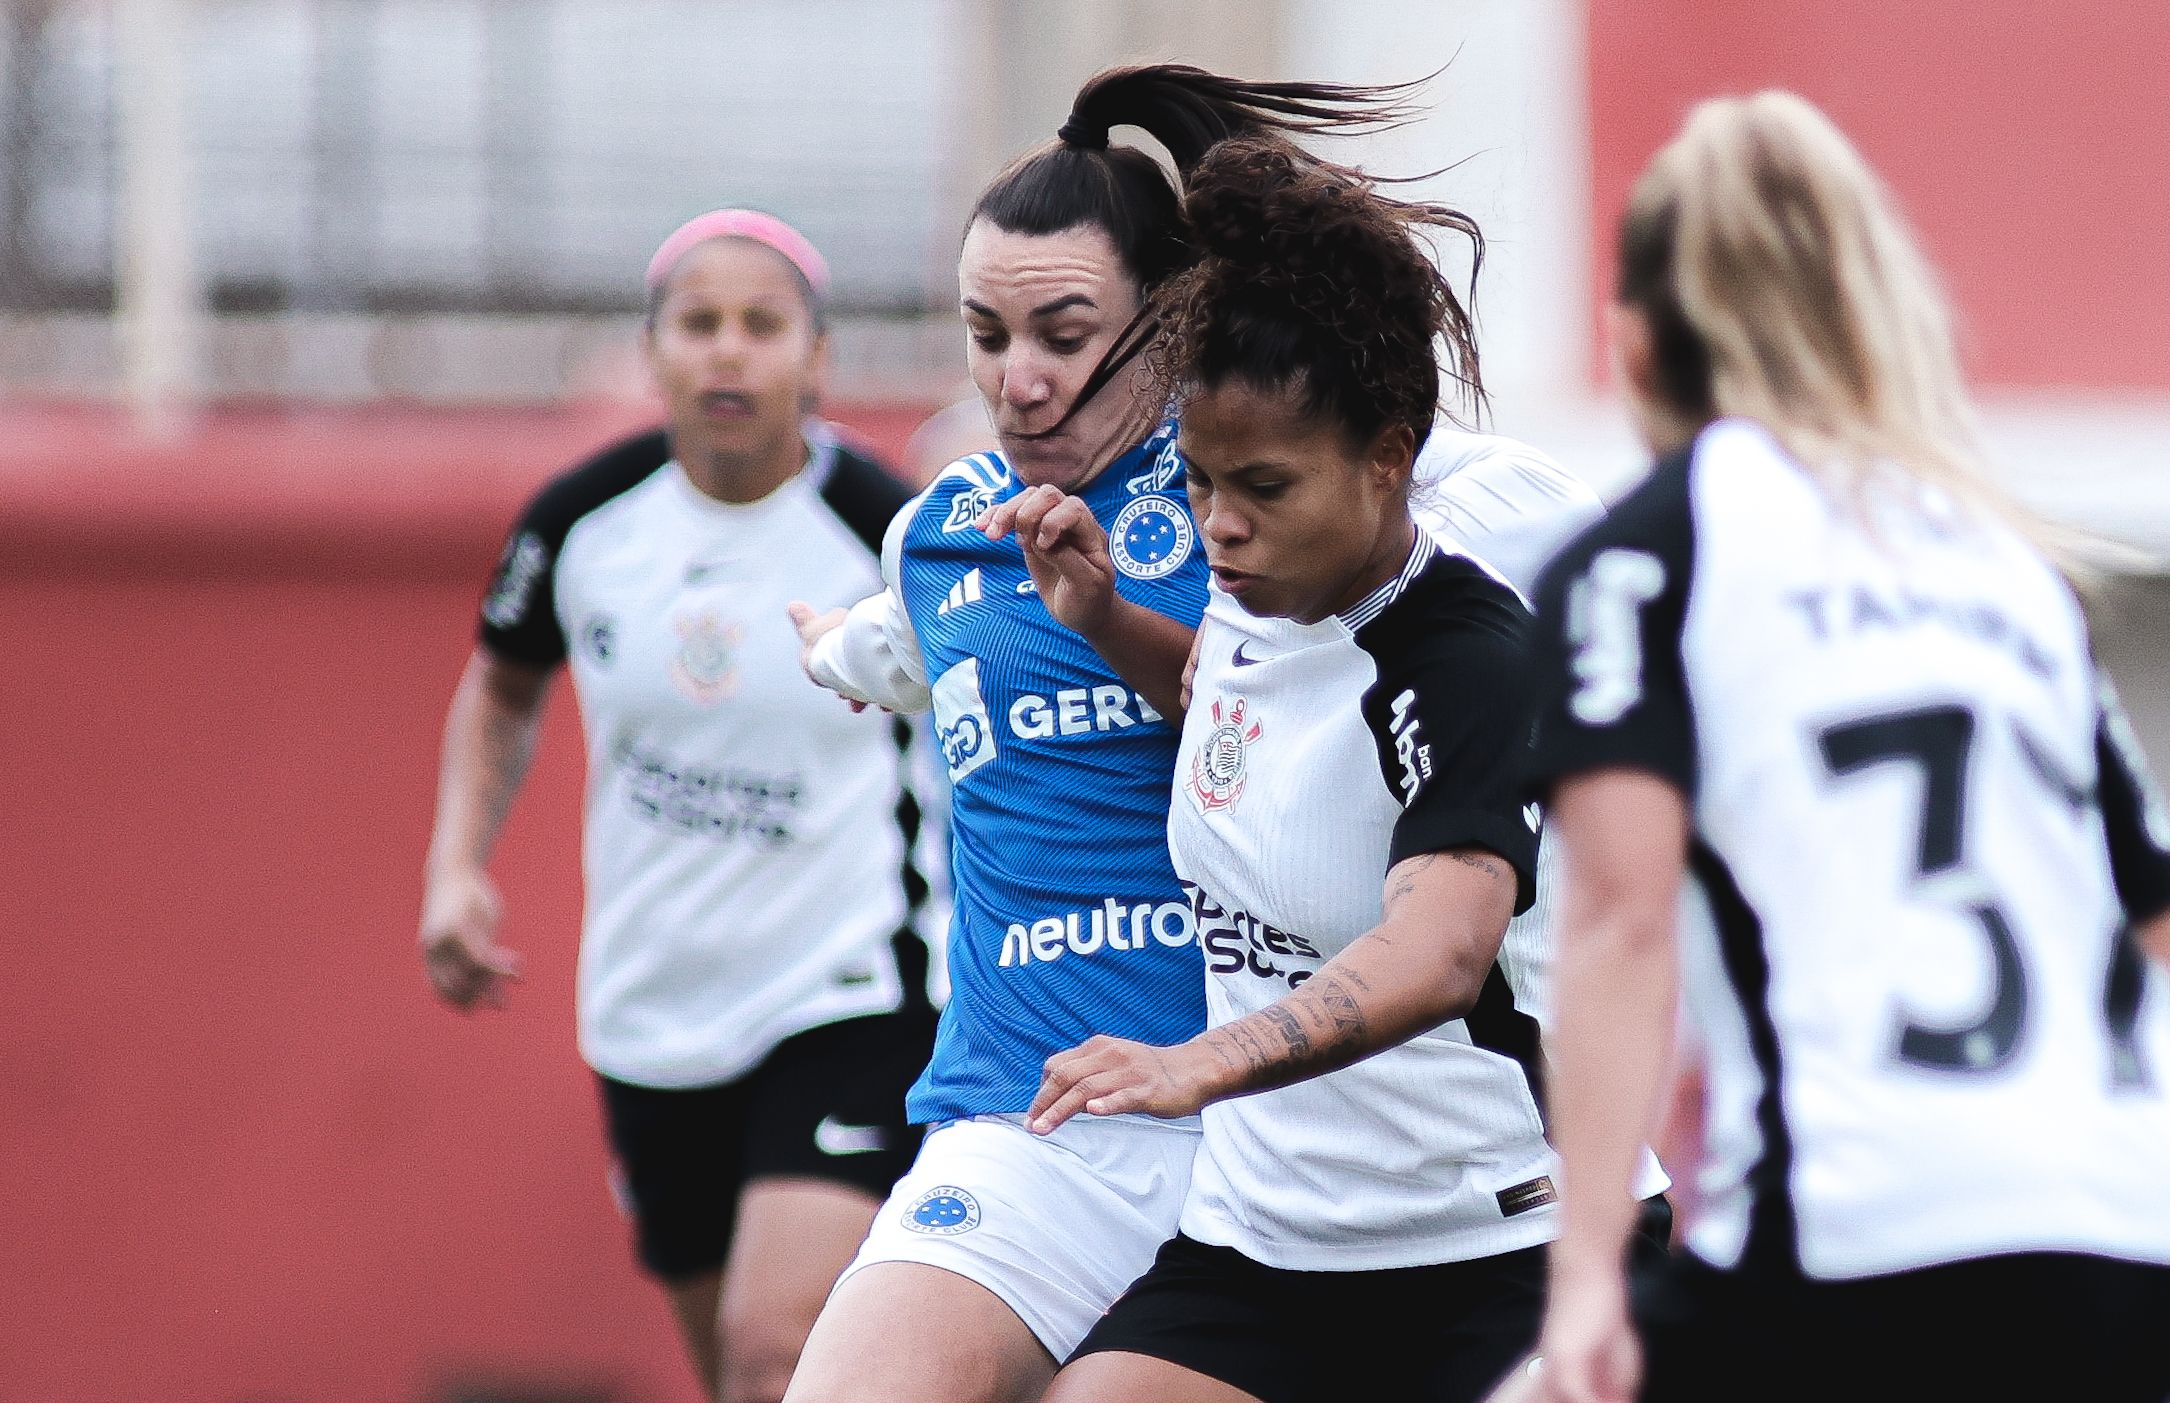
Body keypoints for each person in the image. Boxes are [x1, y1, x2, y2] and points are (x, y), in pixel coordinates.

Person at [1508, 92, 2170, 1403]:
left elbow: (1618, 925)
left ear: (1629, 340)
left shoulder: (1642, 555)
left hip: (1872, 1224)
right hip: (2153, 1229)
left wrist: (1582, 1282)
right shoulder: (2006, 567)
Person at [983, 134, 1663, 1403]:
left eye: (1262, 486)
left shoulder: (1464, 660)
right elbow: (1245, 714)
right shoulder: (1258, 587)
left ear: (1388, 459)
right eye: (1194, 482)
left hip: (1497, 1249)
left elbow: (1441, 945)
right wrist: (1107, 621)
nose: (1218, 524)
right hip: (1264, 1249)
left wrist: (1199, 1058)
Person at [781, 66, 1424, 1403]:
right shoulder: (939, 534)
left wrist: (1110, 623)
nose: (1018, 382)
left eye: (1063, 333)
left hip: (1256, 1133)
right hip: (1028, 1123)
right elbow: (889, 651)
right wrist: (824, 647)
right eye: (984, 334)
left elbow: (1303, 727)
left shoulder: (1253, 501)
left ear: (1168, 316)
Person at [417, 210, 937, 1403]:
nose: (727, 351)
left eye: (762, 324)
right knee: (733, 1372)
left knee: (776, 1346)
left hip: (850, 989)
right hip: (653, 1008)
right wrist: (456, 865)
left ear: (817, 357)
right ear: (651, 353)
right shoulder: (580, 523)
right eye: (697, 323)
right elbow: (501, 686)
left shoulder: (885, 530)